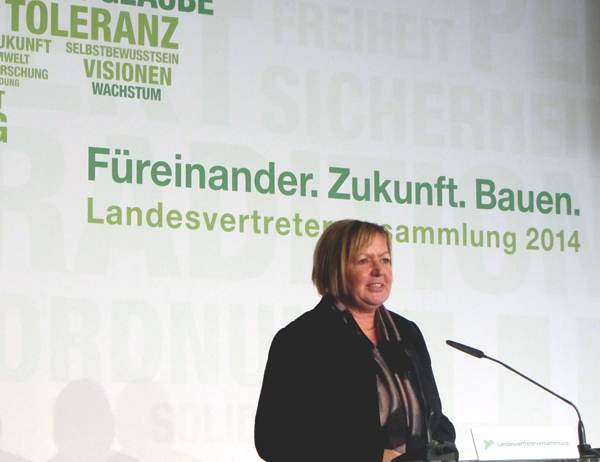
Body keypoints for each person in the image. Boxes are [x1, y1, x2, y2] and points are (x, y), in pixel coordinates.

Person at [255, 219, 456, 462]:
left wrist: (443, 447)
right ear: (335, 268)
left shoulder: (407, 333)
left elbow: (434, 415)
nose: (379, 270)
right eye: (363, 260)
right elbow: (273, 441)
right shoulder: (300, 340)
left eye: (385, 260)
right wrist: (371, 456)